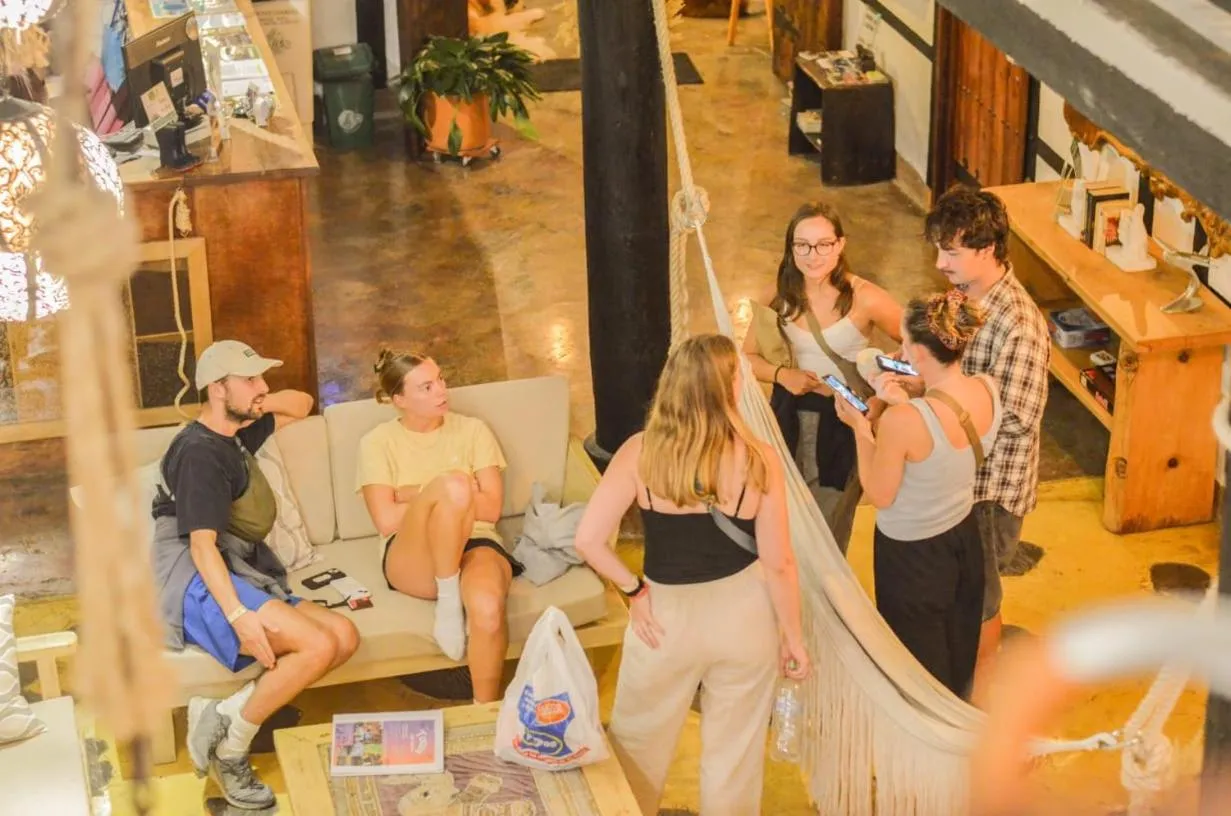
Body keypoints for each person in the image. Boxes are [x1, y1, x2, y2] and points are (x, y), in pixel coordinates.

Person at [574, 333, 810, 816]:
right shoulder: (759, 457)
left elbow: (589, 541)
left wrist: (634, 590)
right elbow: (779, 561)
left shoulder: (640, 452)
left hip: (664, 618)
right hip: (744, 616)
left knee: (638, 747)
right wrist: (793, 636)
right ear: (732, 385)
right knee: (735, 756)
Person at [151, 340, 359, 810]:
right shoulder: (200, 455)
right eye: (251, 380)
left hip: (235, 565)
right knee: (319, 644)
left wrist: (259, 400)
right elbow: (202, 548)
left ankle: (221, 714)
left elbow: (302, 404)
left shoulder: (234, 434)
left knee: (345, 635)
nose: (263, 387)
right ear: (218, 389)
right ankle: (231, 751)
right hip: (195, 577)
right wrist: (239, 613)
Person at [835, 291, 1000, 698]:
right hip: (963, 538)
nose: (900, 350)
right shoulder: (986, 388)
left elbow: (879, 493)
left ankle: (928, 751)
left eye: (906, 343)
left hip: (912, 556)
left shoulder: (904, 421)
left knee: (917, 668)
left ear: (922, 354)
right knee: (958, 647)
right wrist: (909, 394)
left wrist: (860, 427)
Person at [920, 187, 1050, 702]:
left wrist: (950, 406)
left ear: (989, 249)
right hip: (958, 478)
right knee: (956, 595)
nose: (939, 262)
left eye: (951, 251)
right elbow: (943, 362)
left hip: (990, 492)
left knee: (980, 601)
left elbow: (1019, 417)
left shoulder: (1019, 323)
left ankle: (980, 708)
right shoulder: (963, 298)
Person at [356, 349, 523, 703]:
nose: (441, 391)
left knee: (489, 610)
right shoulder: (377, 442)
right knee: (455, 486)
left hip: (474, 541)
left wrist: (410, 494)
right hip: (413, 555)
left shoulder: (473, 430)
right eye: (426, 387)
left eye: (441, 380)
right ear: (398, 399)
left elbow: (490, 509)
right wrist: (442, 492)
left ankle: (485, 711)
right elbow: (386, 519)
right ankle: (448, 598)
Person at [742, 201, 903, 554]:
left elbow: (918, 354)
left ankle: (826, 598)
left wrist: (879, 389)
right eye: (802, 245)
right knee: (783, 513)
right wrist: (783, 375)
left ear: (840, 245)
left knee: (828, 525)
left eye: (823, 245)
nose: (813, 256)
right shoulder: (778, 295)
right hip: (788, 415)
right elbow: (747, 357)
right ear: (791, 247)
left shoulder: (867, 298)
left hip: (842, 423)